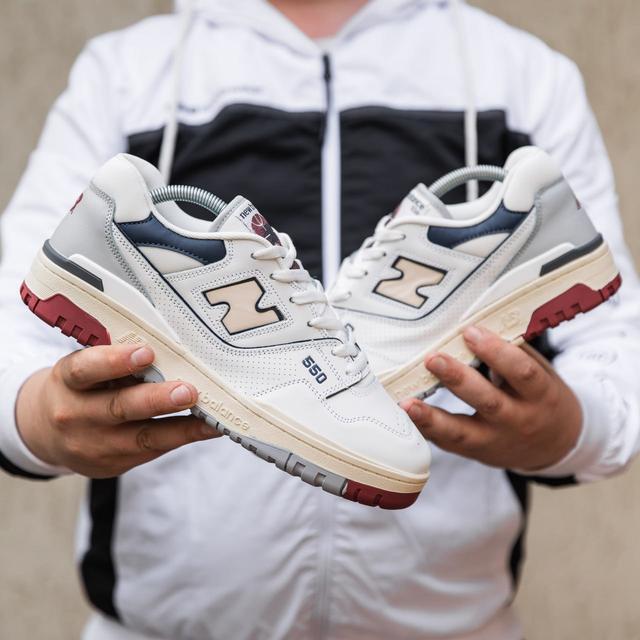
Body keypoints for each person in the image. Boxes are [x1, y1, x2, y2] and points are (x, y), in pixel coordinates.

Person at [1, 1, 639, 638]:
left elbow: (617, 347)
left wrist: (571, 431)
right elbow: (10, 330)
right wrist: (36, 418)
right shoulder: (127, 72)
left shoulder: (520, 75)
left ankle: (330, 359)